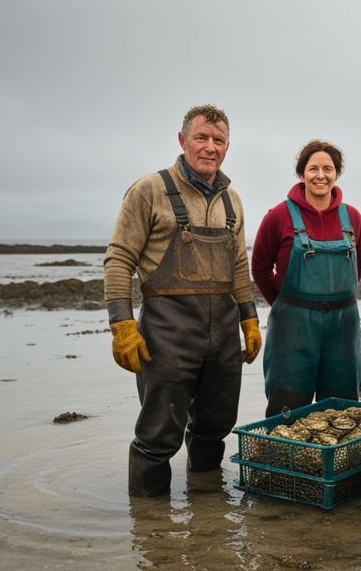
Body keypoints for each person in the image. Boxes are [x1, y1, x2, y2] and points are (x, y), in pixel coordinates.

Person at [104, 104, 261, 497]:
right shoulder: (149, 190)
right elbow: (119, 258)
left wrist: (250, 319)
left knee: (215, 426)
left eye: (219, 140)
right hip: (167, 333)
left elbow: (239, 266)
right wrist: (121, 324)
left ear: (227, 147)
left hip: (223, 335)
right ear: (182, 141)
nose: (210, 147)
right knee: (158, 435)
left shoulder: (232, 201)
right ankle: (151, 531)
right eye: (201, 137)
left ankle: (208, 517)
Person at [251, 140, 361, 417]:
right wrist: (285, 304)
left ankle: (337, 461)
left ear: (336, 174)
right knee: (287, 409)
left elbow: (358, 268)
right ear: (301, 173)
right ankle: (285, 460)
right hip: (292, 329)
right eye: (313, 168)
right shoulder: (278, 216)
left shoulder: (352, 218)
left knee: (343, 413)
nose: (320, 175)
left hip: (343, 326)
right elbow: (260, 269)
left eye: (328, 168)